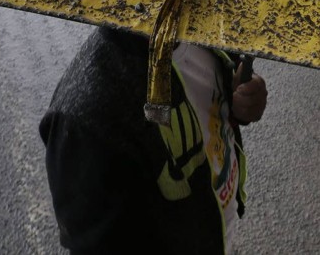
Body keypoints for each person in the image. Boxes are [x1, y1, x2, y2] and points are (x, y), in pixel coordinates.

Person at [40, 26, 268, 253]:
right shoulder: (85, 119)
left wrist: (243, 102)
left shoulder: (201, 23)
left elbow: (218, 93)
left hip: (218, 231)